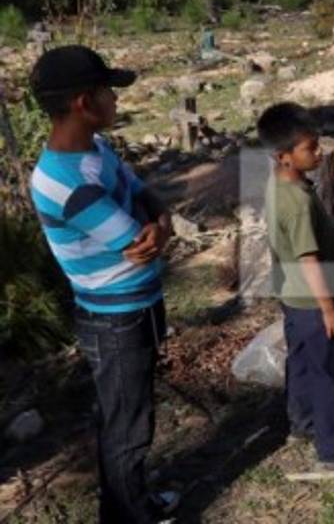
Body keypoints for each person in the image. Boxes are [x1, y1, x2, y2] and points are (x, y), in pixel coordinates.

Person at [28, 45, 179, 523]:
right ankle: (127, 516)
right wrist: (154, 224)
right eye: (107, 91)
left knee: (132, 416)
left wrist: (159, 217)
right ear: (82, 102)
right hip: (115, 319)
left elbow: (142, 196)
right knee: (126, 426)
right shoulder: (64, 182)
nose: (115, 99)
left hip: (137, 303)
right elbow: (139, 239)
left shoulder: (96, 149)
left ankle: (132, 501)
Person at [257, 102, 334, 471]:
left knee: (303, 364)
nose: (319, 152)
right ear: (284, 156)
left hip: (293, 296)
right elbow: (309, 259)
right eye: (310, 147)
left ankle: (302, 423)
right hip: (312, 300)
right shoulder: (297, 204)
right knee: (329, 375)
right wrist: (329, 308)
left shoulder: (279, 185)